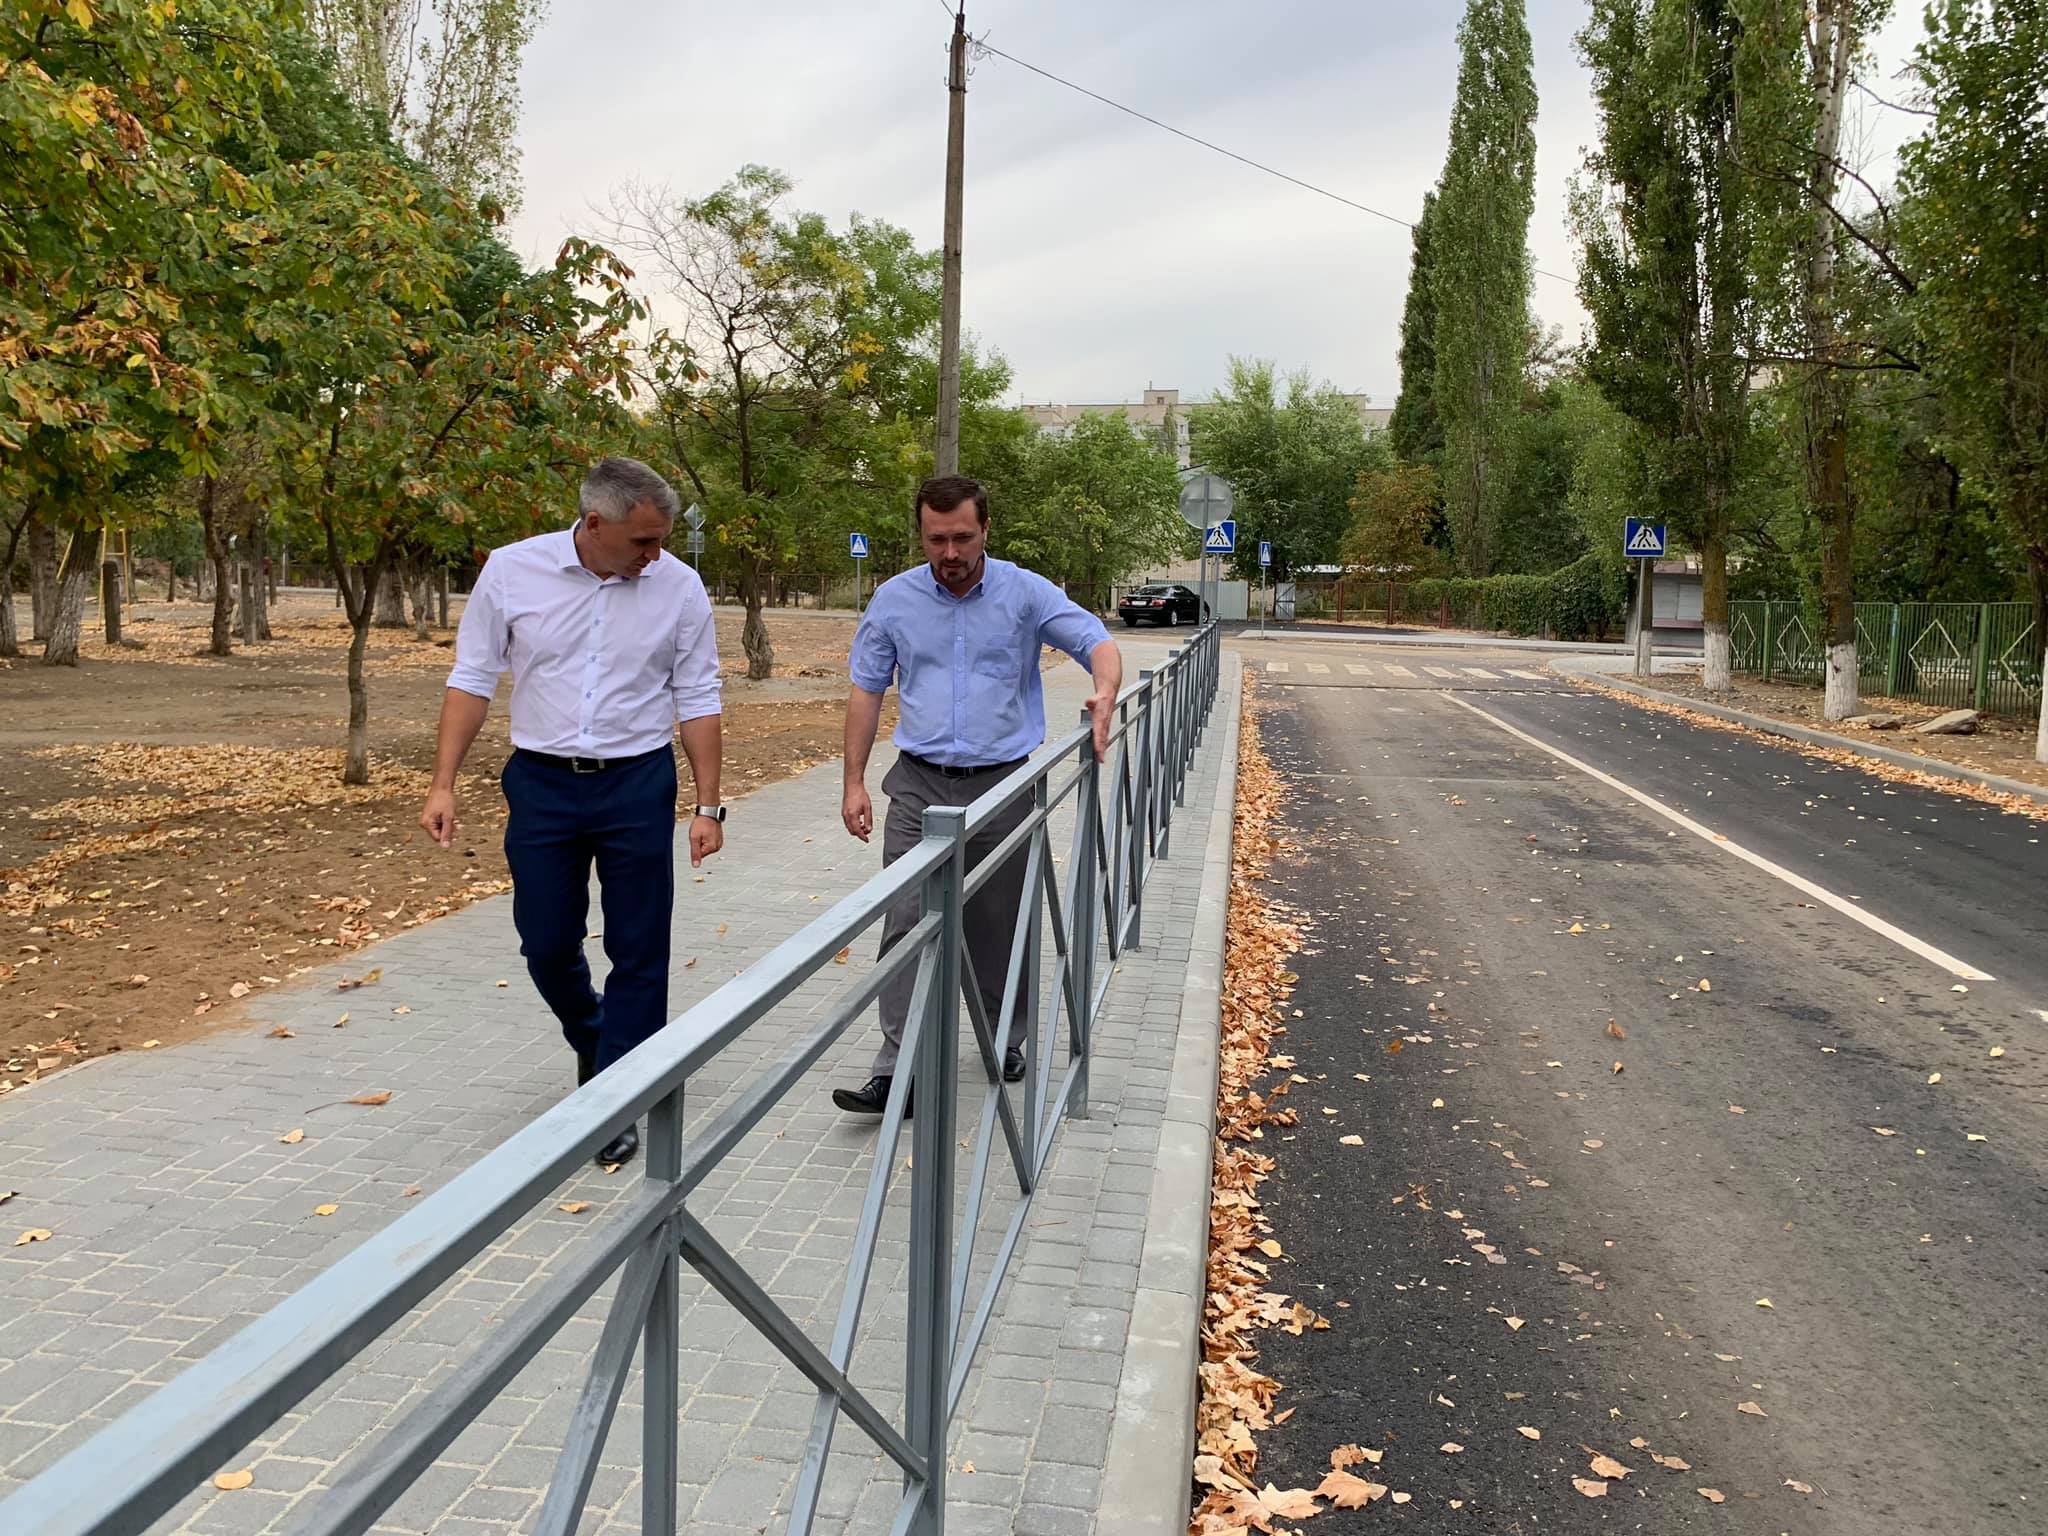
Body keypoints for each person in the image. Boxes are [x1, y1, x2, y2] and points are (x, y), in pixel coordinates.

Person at [419, 457, 726, 1166]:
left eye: (662, 541)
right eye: (642, 541)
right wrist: (443, 784)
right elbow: (471, 678)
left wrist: (709, 805)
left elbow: (699, 694)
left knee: (640, 946)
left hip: (637, 785)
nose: (656, 556)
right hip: (543, 786)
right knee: (546, 942)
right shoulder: (512, 571)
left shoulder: (678, 586)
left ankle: (614, 1096)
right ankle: (595, 1036)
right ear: (593, 523)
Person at [832, 475, 1122, 1116]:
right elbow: (866, 689)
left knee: (997, 925)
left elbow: (1095, 641)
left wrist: (1104, 692)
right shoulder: (893, 600)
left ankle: (1003, 1037)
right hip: (917, 787)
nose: (951, 552)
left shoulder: (1024, 591)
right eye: (937, 540)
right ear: (922, 537)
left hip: (1003, 787)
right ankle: (897, 1068)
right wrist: (853, 779)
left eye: (963, 537)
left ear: (986, 529)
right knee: (906, 920)